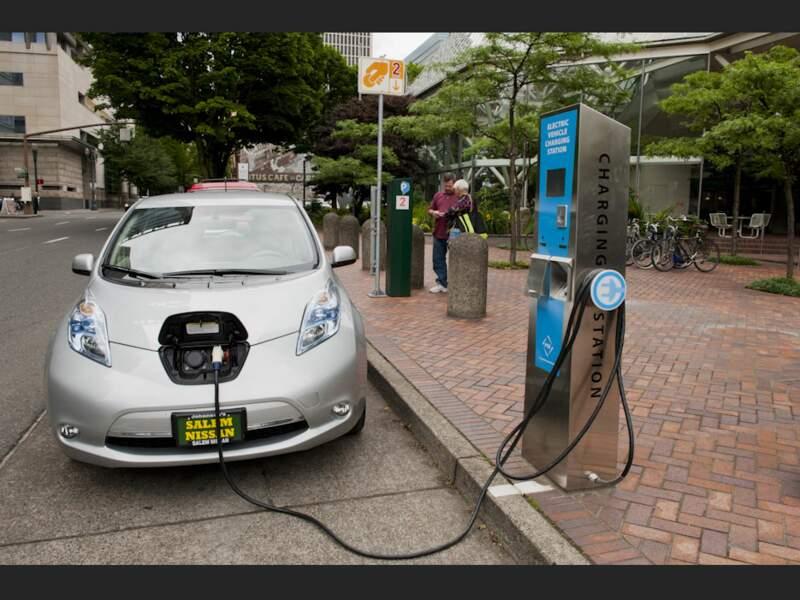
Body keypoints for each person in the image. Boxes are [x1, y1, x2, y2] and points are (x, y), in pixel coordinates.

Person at [428, 173, 458, 293]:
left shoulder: (459, 197)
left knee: (457, 259)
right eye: (445, 186)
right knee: (438, 259)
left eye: (450, 186)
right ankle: (442, 283)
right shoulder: (438, 195)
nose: (447, 188)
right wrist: (434, 212)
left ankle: (457, 282)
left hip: (454, 234)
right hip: (439, 232)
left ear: (454, 184)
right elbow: (430, 209)